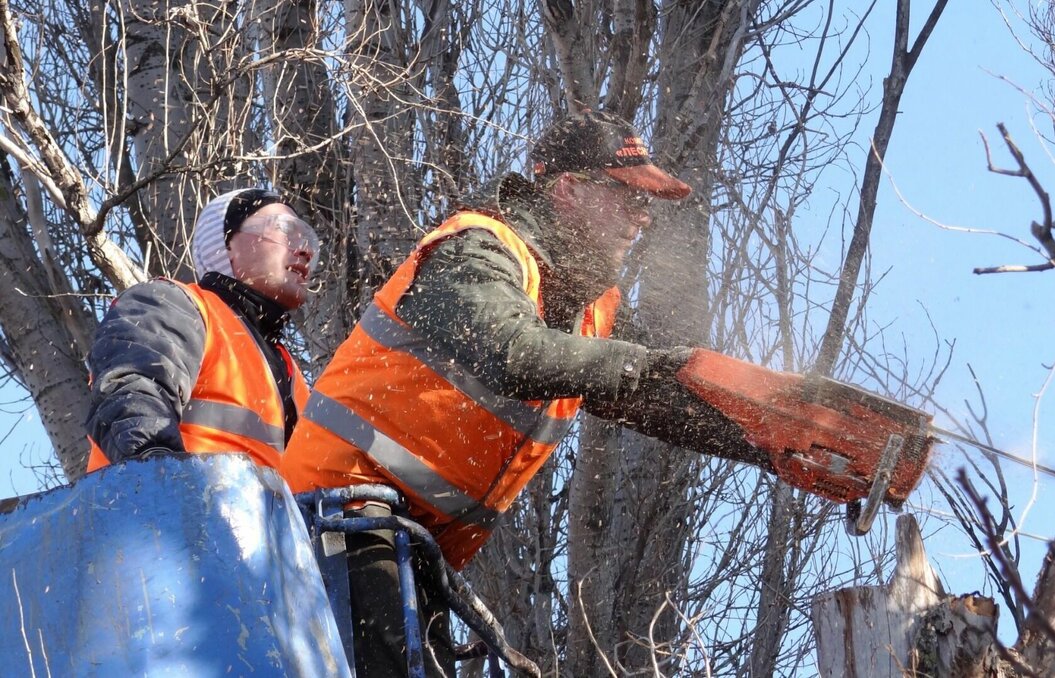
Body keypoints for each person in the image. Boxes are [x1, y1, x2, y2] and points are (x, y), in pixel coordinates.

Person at [281, 111, 751, 677]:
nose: (642, 217)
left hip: (406, 544)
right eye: (627, 196)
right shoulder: (474, 249)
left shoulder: (587, 310)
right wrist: (641, 362)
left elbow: (662, 394)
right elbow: (515, 351)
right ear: (569, 189)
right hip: (336, 518)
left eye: (646, 203)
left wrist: (776, 441)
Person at [86, 188, 319, 471]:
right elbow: (131, 394)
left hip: (253, 514)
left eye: (307, 239)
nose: (304, 250)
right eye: (284, 230)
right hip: (166, 509)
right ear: (226, 245)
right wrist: (161, 476)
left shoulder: (291, 375)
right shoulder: (172, 304)